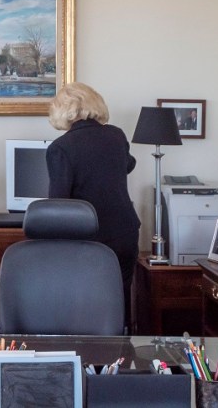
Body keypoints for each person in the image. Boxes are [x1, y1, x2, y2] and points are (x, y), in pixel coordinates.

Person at [45, 82, 139, 333]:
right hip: (125, 233)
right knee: (119, 301)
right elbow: (128, 164)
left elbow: (58, 204)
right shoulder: (117, 135)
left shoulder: (60, 148)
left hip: (88, 240)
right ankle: (119, 360)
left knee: (85, 306)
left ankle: (85, 362)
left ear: (63, 111)